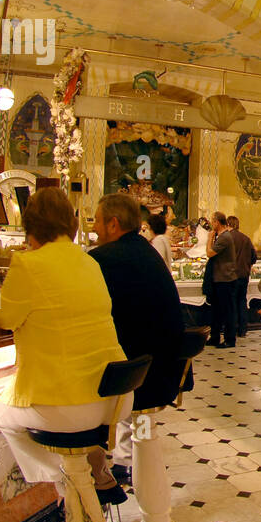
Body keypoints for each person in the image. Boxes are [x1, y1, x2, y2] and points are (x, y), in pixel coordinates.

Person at [0, 188, 130, 506]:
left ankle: (67, 474)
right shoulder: (89, 262)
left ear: (31, 227)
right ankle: (90, 464)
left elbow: (0, 314)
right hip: (114, 398)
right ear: (72, 223)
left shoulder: (27, 263)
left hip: (67, 407)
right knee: (71, 435)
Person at [89, 194, 184, 488]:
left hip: (137, 380)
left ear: (113, 224)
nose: (94, 228)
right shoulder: (147, 253)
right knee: (142, 427)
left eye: (96, 221)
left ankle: (99, 473)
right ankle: (124, 463)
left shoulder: (101, 260)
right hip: (163, 372)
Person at [207, 211, 239, 348]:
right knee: (217, 310)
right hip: (219, 278)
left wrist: (209, 238)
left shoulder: (225, 237)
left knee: (227, 310)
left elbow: (209, 253)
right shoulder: (221, 236)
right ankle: (215, 337)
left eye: (212, 221)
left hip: (225, 279)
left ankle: (229, 339)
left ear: (217, 222)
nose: (211, 224)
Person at [227, 215, 256, 339]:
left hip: (231, 275)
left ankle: (232, 329)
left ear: (228, 224)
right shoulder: (246, 238)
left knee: (232, 302)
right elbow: (254, 257)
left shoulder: (227, 238)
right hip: (244, 274)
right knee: (242, 300)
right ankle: (243, 329)